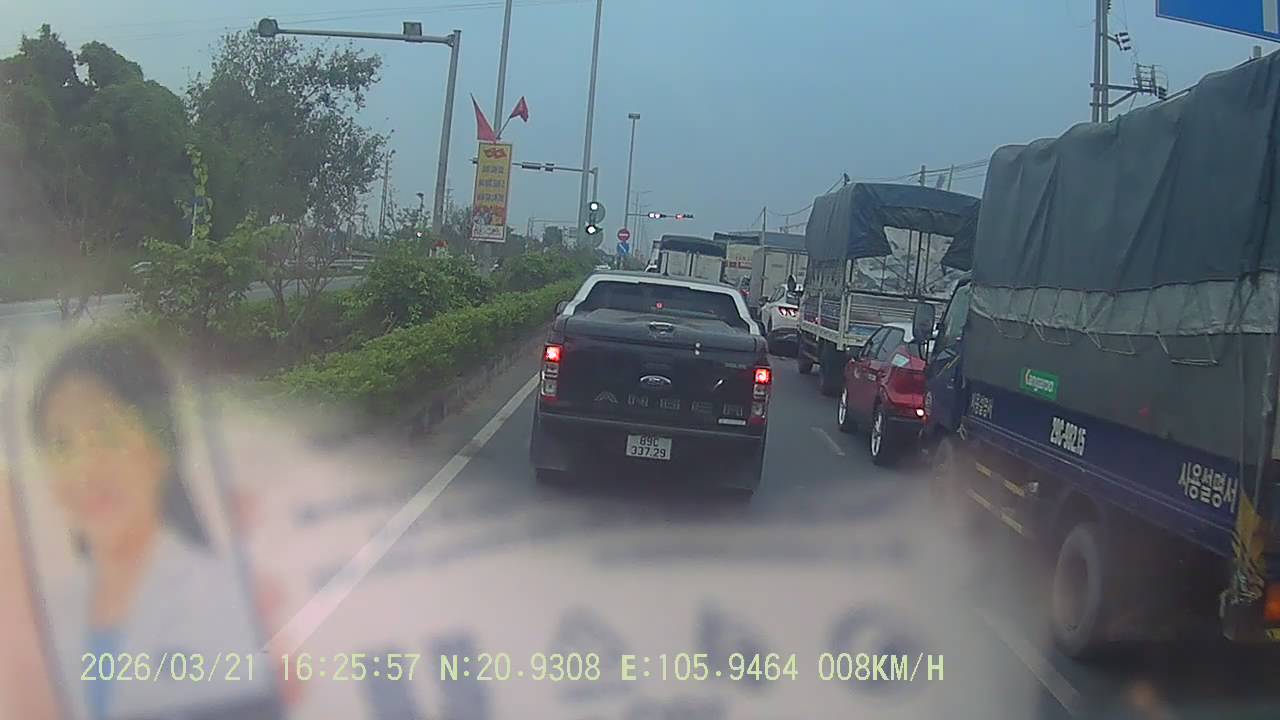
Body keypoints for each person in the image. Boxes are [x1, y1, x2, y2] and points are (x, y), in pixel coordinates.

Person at [27, 334, 276, 720]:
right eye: (61, 444)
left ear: (162, 448)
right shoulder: (48, 617)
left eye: (107, 434)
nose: (84, 468)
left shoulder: (222, 601)